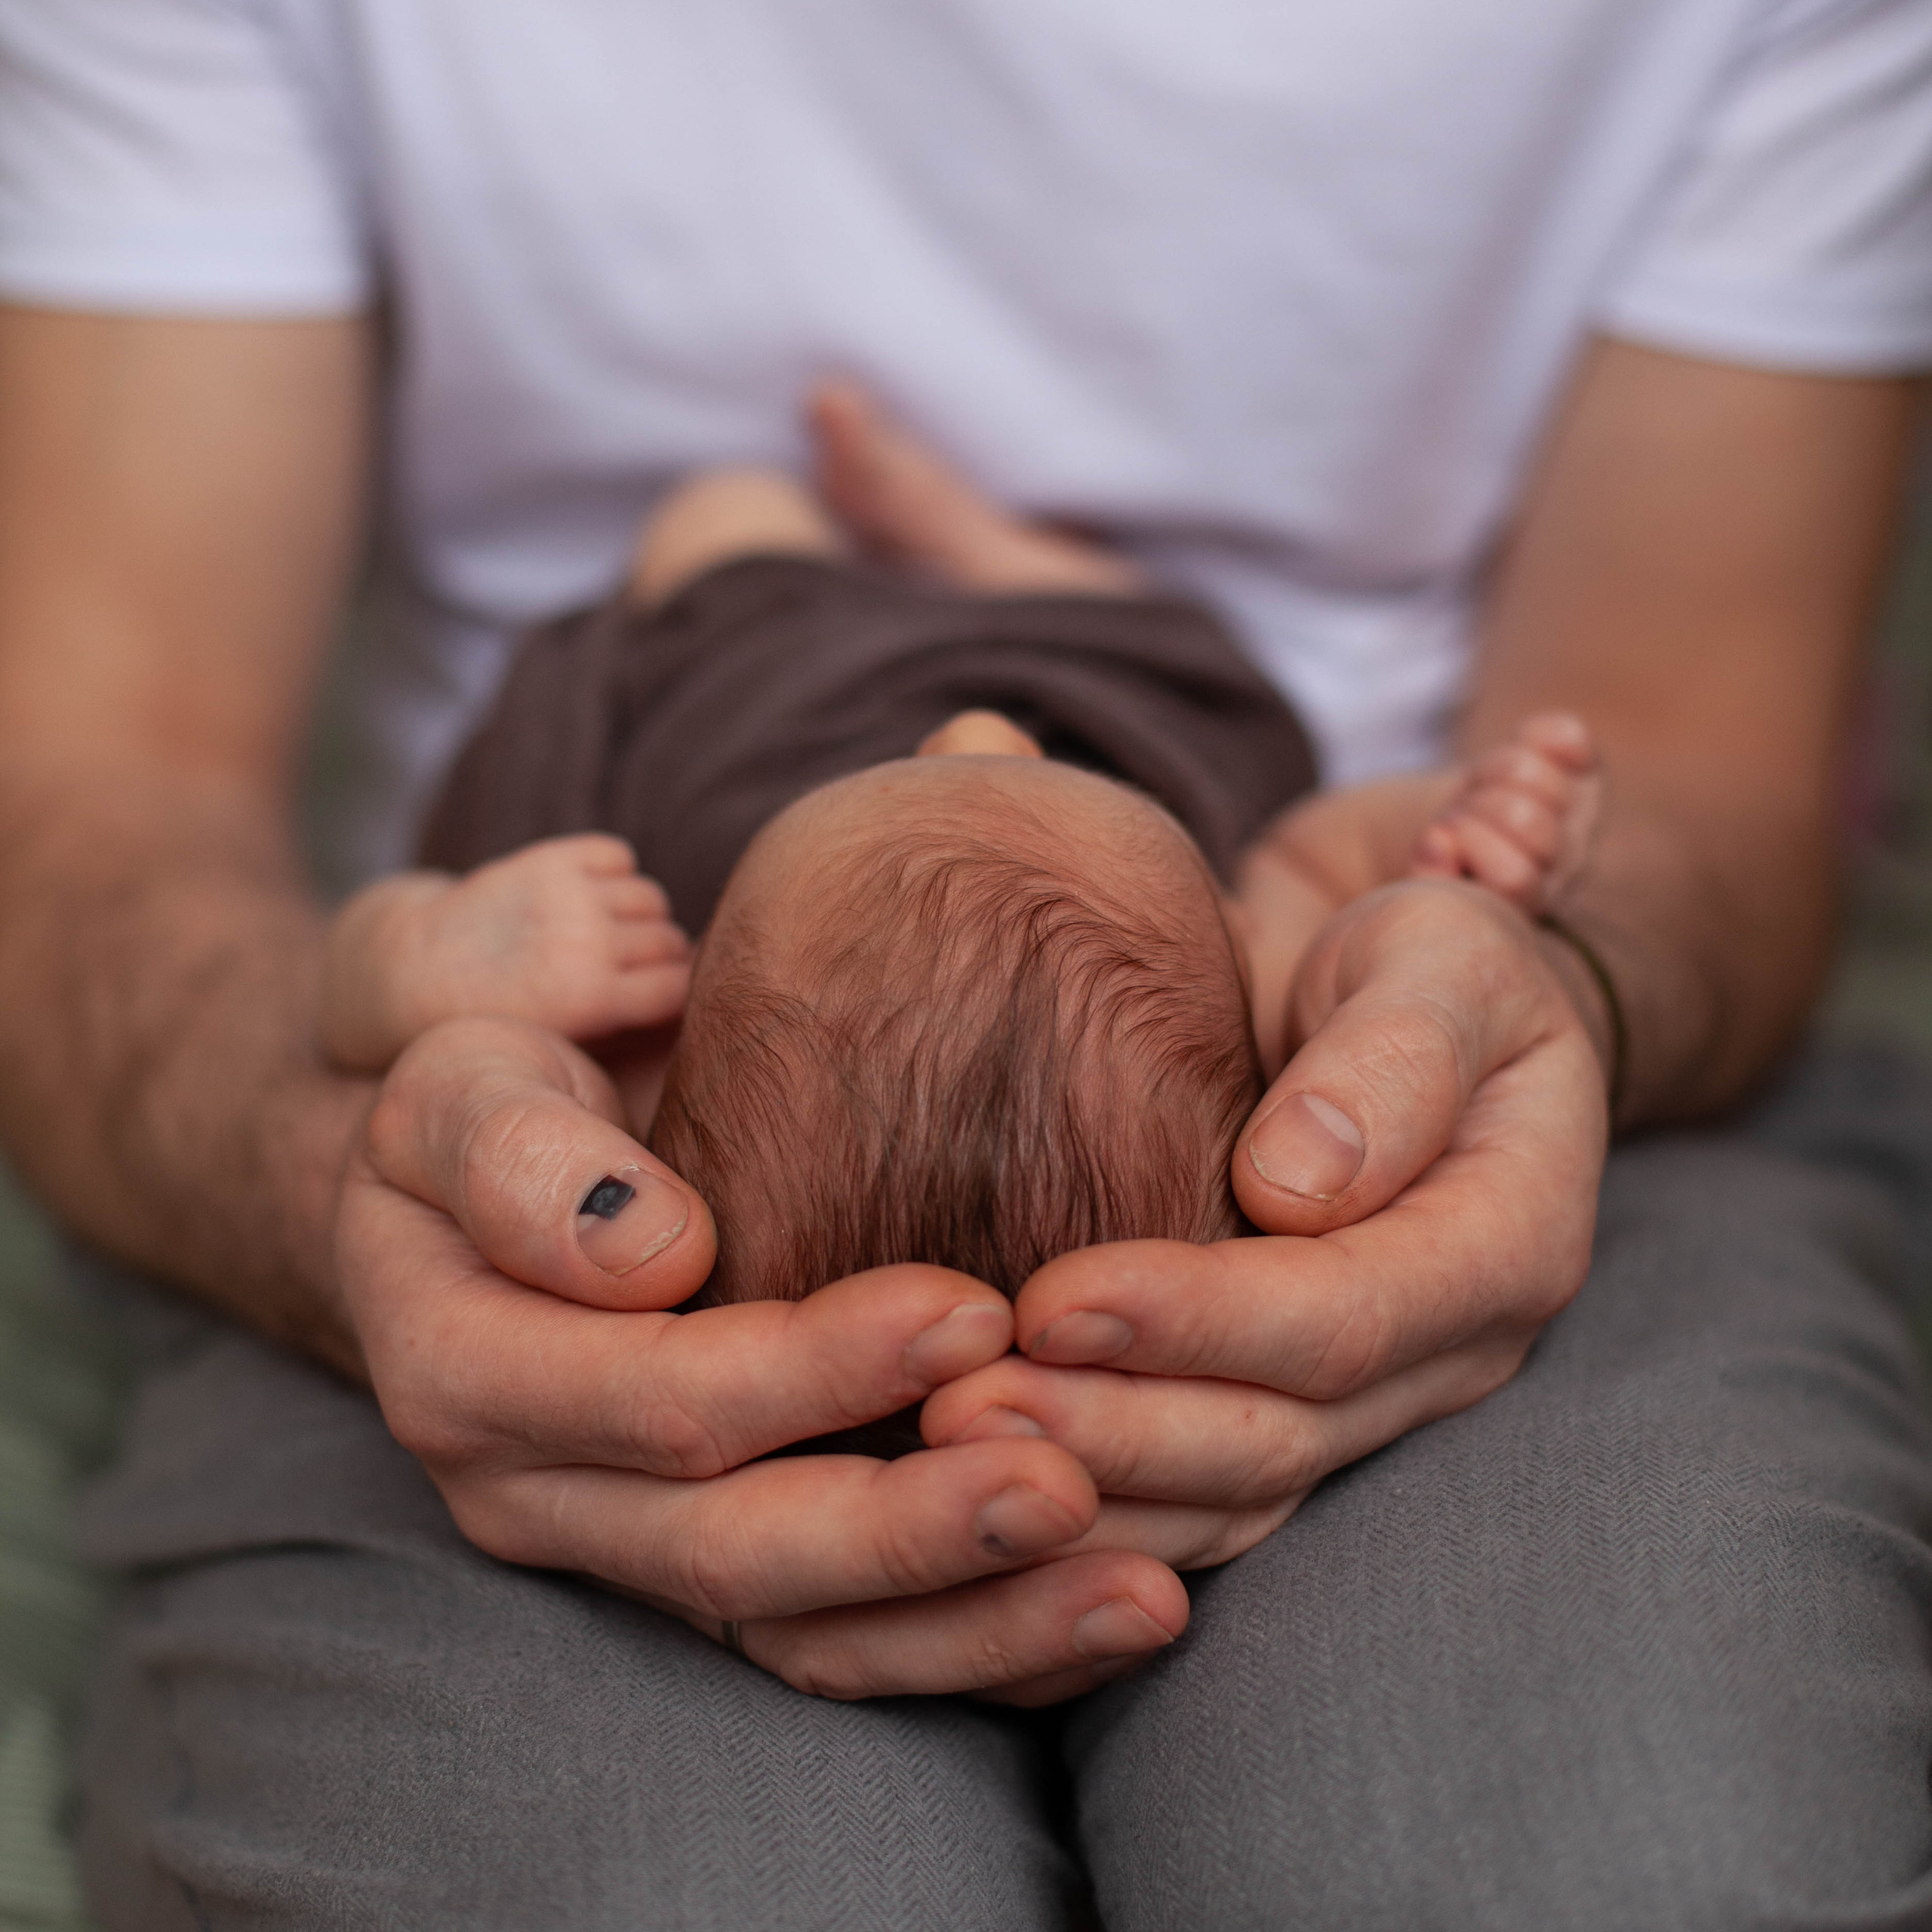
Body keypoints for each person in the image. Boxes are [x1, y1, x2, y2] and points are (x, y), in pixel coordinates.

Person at [0, 2, 1927, 1926]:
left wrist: (1536, 964)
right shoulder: (1230, 894)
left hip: (1423, 1156)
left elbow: (1695, 753)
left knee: (1621, 1867)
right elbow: (101, 780)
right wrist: (1459, 859)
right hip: (1078, 846)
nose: (987, 725)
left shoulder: (638, 948)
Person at [321, 436, 1601, 1323]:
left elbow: (363, 1009)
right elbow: (1326, 856)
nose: (982, 726)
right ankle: (991, 554)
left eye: (927, 765)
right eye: (1037, 769)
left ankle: (864, 544)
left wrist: (434, 959)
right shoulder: (1256, 987)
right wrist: (1454, 846)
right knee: (1222, 704)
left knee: (724, 522)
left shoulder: (631, 1029)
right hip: (1123, 686)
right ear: (1227, 941)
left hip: (774, 678)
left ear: (700, 997)